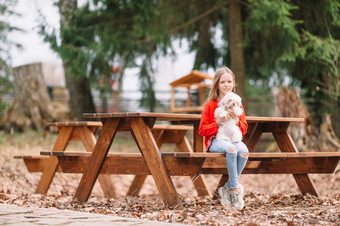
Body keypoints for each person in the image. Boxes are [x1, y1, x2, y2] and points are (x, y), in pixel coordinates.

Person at [198, 67, 248, 210]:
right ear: (217, 85)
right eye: (223, 82)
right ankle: (235, 190)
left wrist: (236, 120)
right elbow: (202, 130)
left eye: (229, 81)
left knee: (244, 152)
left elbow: (244, 128)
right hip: (215, 141)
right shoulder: (210, 105)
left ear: (233, 83)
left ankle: (227, 187)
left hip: (234, 138)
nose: (227, 85)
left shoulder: (237, 103)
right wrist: (218, 123)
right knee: (232, 150)